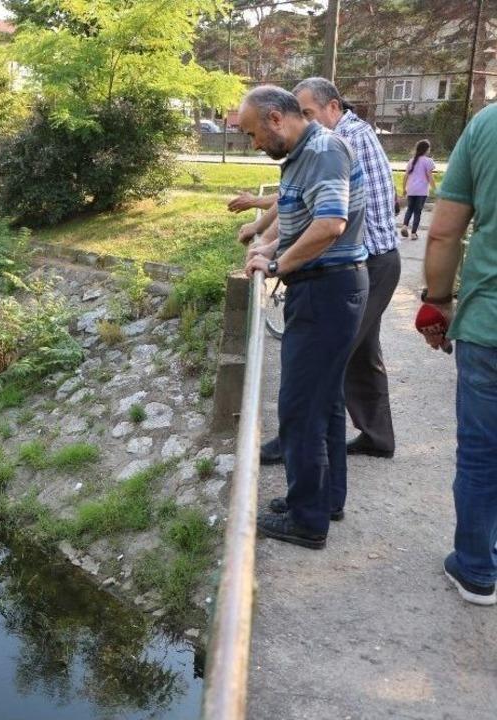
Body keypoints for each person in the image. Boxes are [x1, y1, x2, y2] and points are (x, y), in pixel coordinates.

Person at [233, 78, 401, 464]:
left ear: (334, 108)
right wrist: (266, 238)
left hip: (366, 260)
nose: (304, 119)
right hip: (364, 259)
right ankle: (376, 436)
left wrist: (275, 257)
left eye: (307, 112)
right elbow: (298, 199)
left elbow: (322, 217)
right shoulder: (327, 143)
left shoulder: (337, 143)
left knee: (322, 366)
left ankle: (300, 446)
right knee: (360, 356)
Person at [238, 86, 369, 549]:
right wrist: (270, 247)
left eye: (253, 134)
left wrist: (276, 265)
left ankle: (306, 519)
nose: (254, 144)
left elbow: (330, 224)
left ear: (276, 118)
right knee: (325, 402)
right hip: (322, 289)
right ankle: (324, 500)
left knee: (299, 407)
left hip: (327, 290)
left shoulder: (324, 151)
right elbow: (303, 222)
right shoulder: (300, 155)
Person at [419, 104, 497, 606]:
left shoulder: (488, 124)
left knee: (481, 453)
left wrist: (438, 302)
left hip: (489, 326)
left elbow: (445, 231)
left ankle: (475, 569)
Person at [401, 139, 436, 240]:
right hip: (421, 191)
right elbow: (430, 176)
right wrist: (435, 189)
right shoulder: (428, 161)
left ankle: (404, 226)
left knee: (410, 209)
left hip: (411, 190)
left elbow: (405, 176)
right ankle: (413, 234)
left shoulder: (411, 161)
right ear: (426, 149)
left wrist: (404, 189)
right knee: (417, 212)